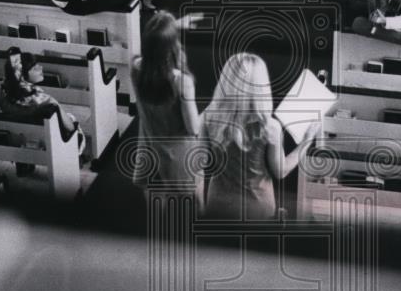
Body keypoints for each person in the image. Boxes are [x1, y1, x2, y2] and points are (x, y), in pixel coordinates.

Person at [202, 53, 319, 221]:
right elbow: (280, 171)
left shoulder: (208, 118)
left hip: (218, 207)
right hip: (257, 209)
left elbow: (198, 162)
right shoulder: (269, 126)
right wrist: (307, 141)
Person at [130, 12, 202, 205]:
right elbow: (193, 128)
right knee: (191, 207)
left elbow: (153, 44)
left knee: (156, 210)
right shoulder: (181, 82)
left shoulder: (136, 68)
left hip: (149, 147)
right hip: (178, 156)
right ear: (172, 47)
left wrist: (173, 26)